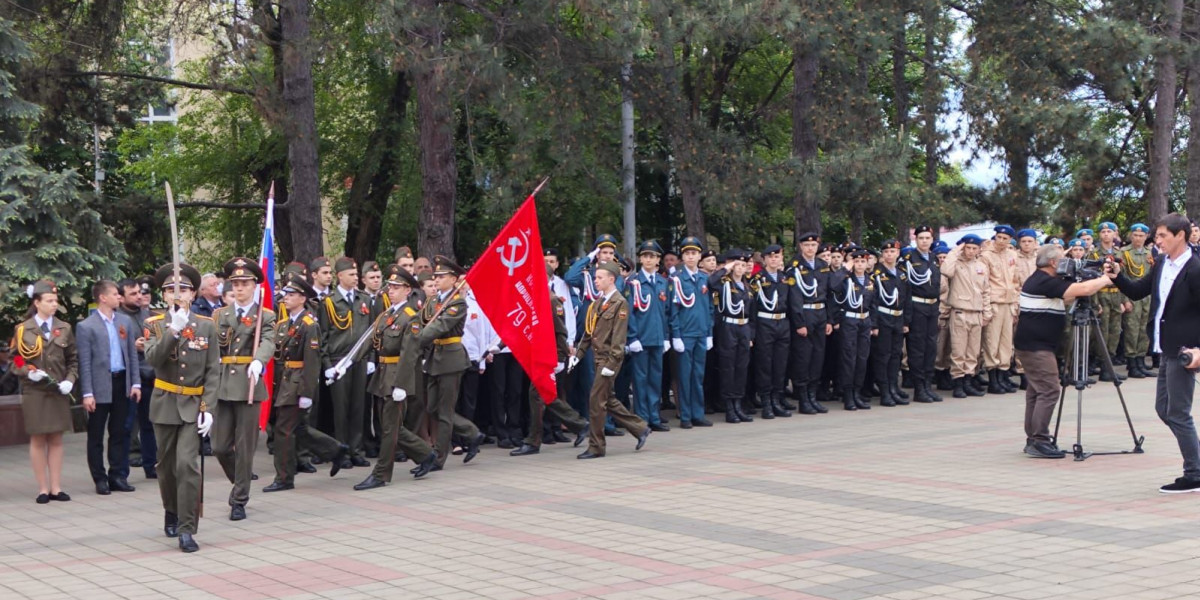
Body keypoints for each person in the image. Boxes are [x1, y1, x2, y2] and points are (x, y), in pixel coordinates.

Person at [1106, 214, 1200, 492]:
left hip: (1185, 349)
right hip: (1164, 346)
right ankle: (1196, 459)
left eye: (1161, 236)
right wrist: (1116, 276)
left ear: (1179, 236)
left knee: (1178, 412)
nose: (1155, 241)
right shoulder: (1161, 263)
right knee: (1164, 409)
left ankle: (1194, 473)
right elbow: (1137, 292)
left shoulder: (1195, 269)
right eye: (1156, 236)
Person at [1015, 244, 1117, 459]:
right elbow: (1083, 290)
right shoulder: (1044, 281)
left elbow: (1068, 296)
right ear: (1052, 263)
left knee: (1037, 391)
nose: (1067, 263)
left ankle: (1034, 438)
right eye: (1063, 259)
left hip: (1035, 344)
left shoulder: (1043, 280)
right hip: (1037, 347)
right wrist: (1106, 279)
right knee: (1050, 390)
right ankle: (1040, 439)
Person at [143, 263, 218, 553]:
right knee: (166, 468)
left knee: (187, 466)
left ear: (194, 292)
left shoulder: (206, 325)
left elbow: (213, 370)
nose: (178, 294)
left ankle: (187, 529)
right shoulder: (155, 325)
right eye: (171, 290)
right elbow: (154, 360)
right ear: (164, 295)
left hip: (192, 405)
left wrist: (208, 408)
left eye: (184, 289)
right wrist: (173, 329)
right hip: (164, 404)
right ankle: (170, 509)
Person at [353, 265, 440, 488]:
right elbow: (370, 342)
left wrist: (401, 384)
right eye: (389, 286)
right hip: (383, 375)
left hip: (396, 377)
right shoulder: (387, 315)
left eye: (396, 287)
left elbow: (409, 354)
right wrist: (346, 364)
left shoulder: (410, 317)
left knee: (390, 428)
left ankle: (381, 473)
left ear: (407, 290)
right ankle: (425, 454)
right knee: (389, 425)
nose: (390, 290)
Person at [263, 275, 350, 493]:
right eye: (286, 294)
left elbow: (312, 362)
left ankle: (284, 477)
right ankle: (335, 450)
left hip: (297, 383)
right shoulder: (283, 324)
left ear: (302, 298)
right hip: (284, 381)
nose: (286, 298)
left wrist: (306, 393)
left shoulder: (309, 325)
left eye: (291, 295)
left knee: (284, 430)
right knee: (298, 428)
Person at [211, 257, 277, 521]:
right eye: (235, 283)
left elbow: (269, 340)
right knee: (219, 446)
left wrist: (259, 362)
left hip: (249, 383)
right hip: (224, 382)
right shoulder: (220, 315)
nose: (239, 288)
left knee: (245, 446)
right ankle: (238, 481)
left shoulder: (265, 316)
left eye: (244, 283)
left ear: (254, 286)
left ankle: (239, 498)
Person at [571, 261, 651, 458]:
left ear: (611, 279)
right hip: (598, 358)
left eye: (599, 278)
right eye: (595, 277)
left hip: (608, 361)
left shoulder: (620, 303)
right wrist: (578, 356)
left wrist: (612, 364)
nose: (596, 281)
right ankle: (640, 428)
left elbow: (619, 338)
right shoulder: (597, 303)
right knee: (609, 399)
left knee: (596, 401)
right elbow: (588, 334)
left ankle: (596, 446)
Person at [10, 280, 78, 504]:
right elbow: (16, 358)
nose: (54, 305)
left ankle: (56, 488)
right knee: (38, 439)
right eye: (49, 301)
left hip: (58, 391)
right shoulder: (23, 329)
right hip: (35, 392)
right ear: (37, 303)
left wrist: (70, 380)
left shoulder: (64, 327)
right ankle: (42, 488)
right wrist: (27, 372)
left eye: (55, 301)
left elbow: (73, 360)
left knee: (57, 438)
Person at [512, 264, 590, 456]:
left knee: (538, 396)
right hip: (539, 355)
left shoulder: (551, 300)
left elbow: (560, 332)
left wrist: (561, 358)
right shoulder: (536, 300)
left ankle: (533, 441)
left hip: (550, 356)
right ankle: (579, 425)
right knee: (544, 395)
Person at [418, 256, 485, 469]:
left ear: (454, 279)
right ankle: (472, 433)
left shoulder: (457, 302)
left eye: (442, 276)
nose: (437, 280)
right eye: (435, 276)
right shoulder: (433, 301)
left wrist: (414, 340)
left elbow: (439, 327)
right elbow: (421, 323)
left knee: (445, 411)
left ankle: (438, 458)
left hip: (450, 358)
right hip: (434, 358)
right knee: (432, 408)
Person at [76, 280, 142, 494]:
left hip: (121, 381)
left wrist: (135, 383)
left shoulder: (124, 321)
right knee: (96, 434)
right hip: (99, 385)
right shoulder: (86, 326)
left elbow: (131, 355)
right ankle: (99, 478)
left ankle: (118, 475)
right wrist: (87, 393)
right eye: (115, 294)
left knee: (120, 431)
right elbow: (84, 361)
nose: (119, 297)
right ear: (103, 298)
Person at [318, 257, 372, 469]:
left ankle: (356, 450)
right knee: (341, 409)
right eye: (351, 274)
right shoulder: (329, 302)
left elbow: (372, 333)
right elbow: (322, 335)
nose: (355, 277)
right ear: (339, 276)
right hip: (338, 361)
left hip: (359, 359)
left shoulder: (364, 299)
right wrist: (327, 365)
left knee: (359, 407)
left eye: (356, 273)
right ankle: (342, 451)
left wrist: (371, 359)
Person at [624, 240, 671, 430]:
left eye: (652, 256)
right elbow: (629, 313)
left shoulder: (663, 282)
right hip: (641, 339)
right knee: (640, 380)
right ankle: (642, 418)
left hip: (658, 338)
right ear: (640, 259)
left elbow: (666, 312)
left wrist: (667, 336)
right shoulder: (633, 283)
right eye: (645, 256)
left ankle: (654, 416)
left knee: (655, 379)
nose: (648, 259)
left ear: (658, 259)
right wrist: (632, 337)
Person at [669, 237, 714, 428]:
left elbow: (710, 307)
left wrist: (709, 332)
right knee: (684, 376)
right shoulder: (677, 279)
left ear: (699, 257)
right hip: (685, 334)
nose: (691, 257)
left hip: (701, 333)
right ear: (682, 257)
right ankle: (686, 416)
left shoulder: (704, 278)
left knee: (698, 375)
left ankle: (698, 413)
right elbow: (673, 310)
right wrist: (676, 335)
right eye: (687, 253)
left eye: (694, 253)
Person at [942, 235, 992, 398]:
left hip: (976, 313)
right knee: (959, 350)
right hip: (960, 312)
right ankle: (958, 382)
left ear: (979, 249)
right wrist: (956, 250)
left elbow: (985, 291)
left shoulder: (981, 266)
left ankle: (968, 381)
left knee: (973, 352)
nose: (970, 251)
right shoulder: (956, 264)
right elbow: (945, 270)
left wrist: (987, 312)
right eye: (968, 248)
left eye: (974, 248)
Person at [118, 278, 158, 478]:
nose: (139, 296)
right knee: (126, 426)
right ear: (121, 297)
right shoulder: (117, 317)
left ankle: (152, 466)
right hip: (130, 377)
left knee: (150, 424)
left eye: (140, 292)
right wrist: (132, 347)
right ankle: (121, 471)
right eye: (133, 293)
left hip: (150, 375)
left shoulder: (148, 314)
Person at [787, 234, 832, 414]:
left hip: (820, 313)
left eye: (814, 245)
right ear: (800, 246)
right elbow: (794, 298)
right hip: (805, 314)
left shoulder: (822, 266)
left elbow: (828, 294)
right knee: (803, 358)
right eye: (807, 245)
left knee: (817, 356)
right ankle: (803, 398)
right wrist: (799, 322)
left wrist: (830, 319)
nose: (810, 248)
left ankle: (813, 397)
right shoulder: (794, 267)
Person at [710, 250, 756, 422]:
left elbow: (752, 314)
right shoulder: (724, 284)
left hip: (743, 328)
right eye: (737, 264)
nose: (740, 268)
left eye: (743, 265)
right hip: (729, 327)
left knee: (741, 367)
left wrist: (751, 335)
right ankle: (729, 407)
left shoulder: (748, 287)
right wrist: (725, 269)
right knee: (728, 367)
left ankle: (738, 404)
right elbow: (711, 281)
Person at [830, 249, 877, 410]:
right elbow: (833, 285)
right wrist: (845, 268)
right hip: (849, 320)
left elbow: (874, 304)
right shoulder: (846, 280)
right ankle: (848, 394)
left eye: (863, 261)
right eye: (856, 261)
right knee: (849, 358)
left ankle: (857, 392)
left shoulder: (870, 281)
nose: (860, 265)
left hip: (865, 320)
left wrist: (873, 324)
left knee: (862, 358)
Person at [749, 244, 792, 418]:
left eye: (777, 257)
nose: (774, 260)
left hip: (782, 322)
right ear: (765, 259)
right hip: (765, 322)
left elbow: (791, 302)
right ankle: (766, 402)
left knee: (780, 364)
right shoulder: (757, 279)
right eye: (771, 257)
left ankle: (777, 399)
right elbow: (752, 306)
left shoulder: (785, 278)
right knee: (765, 364)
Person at [900, 226, 943, 403]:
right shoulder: (909, 259)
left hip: (932, 308)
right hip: (917, 306)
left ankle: (927, 385)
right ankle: (919, 388)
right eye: (921, 238)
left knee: (930, 348)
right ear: (915, 240)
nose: (925, 241)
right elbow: (905, 289)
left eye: (927, 238)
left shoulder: (933, 258)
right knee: (917, 349)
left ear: (932, 240)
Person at [981, 225, 1022, 394]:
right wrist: (987, 307)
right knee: (992, 342)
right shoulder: (986, 256)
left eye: (1006, 239)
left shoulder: (1013, 255)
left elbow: (1016, 281)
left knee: (1006, 343)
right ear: (995, 237)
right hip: (994, 302)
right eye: (999, 237)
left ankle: (1003, 375)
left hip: (1009, 302)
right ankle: (993, 378)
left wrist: (1016, 304)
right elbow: (984, 283)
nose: (1002, 241)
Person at [871, 241, 909, 407]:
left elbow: (907, 299)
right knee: (883, 356)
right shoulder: (876, 275)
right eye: (886, 251)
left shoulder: (901, 274)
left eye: (892, 251)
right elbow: (872, 301)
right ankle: (885, 391)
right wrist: (875, 324)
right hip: (883, 317)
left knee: (896, 355)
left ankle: (893, 388)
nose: (889, 254)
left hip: (898, 318)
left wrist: (906, 321)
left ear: (898, 253)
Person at [1089, 222, 1127, 381]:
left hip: (1116, 295)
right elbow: (1090, 279)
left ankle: (1109, 367)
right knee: (1103, 332)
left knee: (1115, 331)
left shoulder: (1120, 253)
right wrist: (1095, 302)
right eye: (1103, 231)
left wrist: (1125, 299)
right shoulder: (1094, 254)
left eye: (1109, 231)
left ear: (1115, 234)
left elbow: (1124, 278)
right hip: (1102, 295)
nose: (1106, 234)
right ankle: (1103, 367)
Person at [1121, 223, 1155, 378]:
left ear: (1146, 237)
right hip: (1132, 294)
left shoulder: (1150, 252)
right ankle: (1132, 362)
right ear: (1131, 236)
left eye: (1141, 236)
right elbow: (1121, 279)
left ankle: (1141, 360)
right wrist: (1125, 299)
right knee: (1132, 329)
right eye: (1135, 235)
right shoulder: (1124, 253)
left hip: (1147, 296)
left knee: (1144, 329)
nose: (1138, 238)